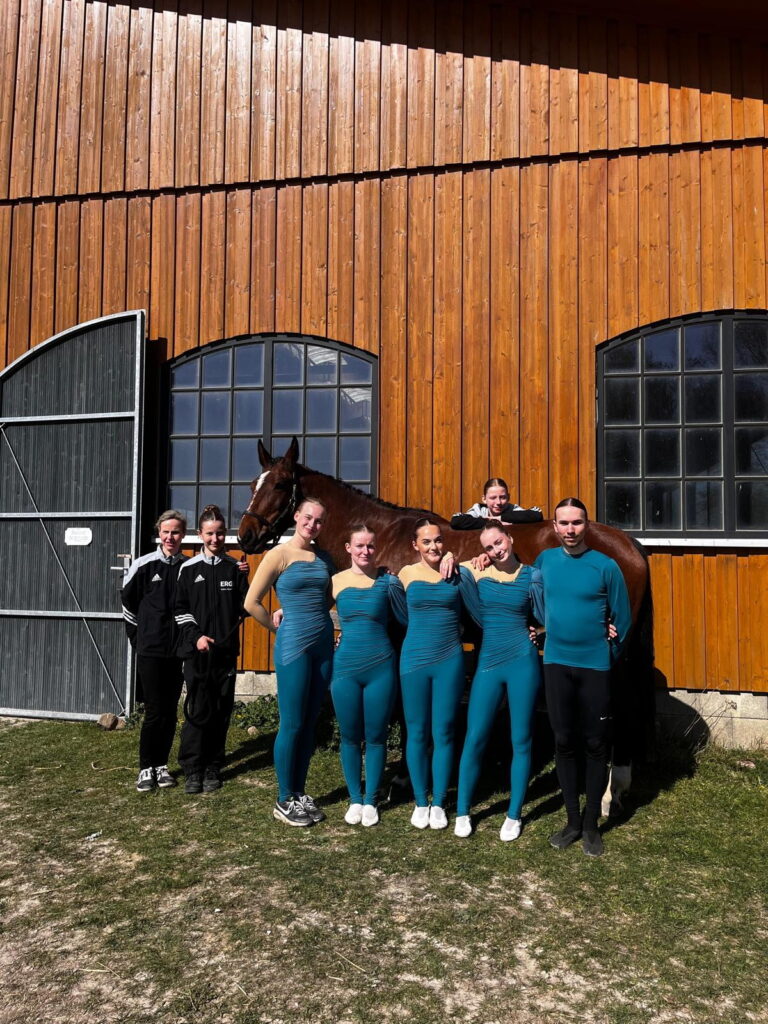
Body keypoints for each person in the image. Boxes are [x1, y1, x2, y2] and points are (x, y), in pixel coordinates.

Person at [532, 498, 632, 857]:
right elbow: (527, 592)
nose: (570, 529)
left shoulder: (606, 566)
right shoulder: (545, 561)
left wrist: (605, 656)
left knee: (595, 744)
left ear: (586, 525)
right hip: (556, 664)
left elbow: (623, 619)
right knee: (563, 741)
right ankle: (572, 821)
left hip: (594, 668)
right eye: (564, 523)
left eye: (577, 522)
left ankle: (591, 825)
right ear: (555, 527)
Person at [245, 498, 335, 827]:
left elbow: (327, 597)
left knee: (310, 722)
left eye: (319, 521)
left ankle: (299, 792)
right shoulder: (278, 555)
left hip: (323, 645)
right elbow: (251, 602)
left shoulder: (324, 558)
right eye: (308, 518)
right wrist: (276, 626)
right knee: (292, 722)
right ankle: (284, 799)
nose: (312, 525)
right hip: (293, 646)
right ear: (296, 516)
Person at [454, 522, 542, 840]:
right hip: (489, 664)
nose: (496, 550)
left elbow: (549, 613)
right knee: (475, 737)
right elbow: (454, 569)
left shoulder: (533, 575)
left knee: (521, 739)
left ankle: (514, 814)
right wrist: (458, 557)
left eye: (499, 542)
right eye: (489, 547)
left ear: (510, 538)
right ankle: (462, 811)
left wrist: (539, 631)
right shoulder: (477, 574)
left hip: (523, 663)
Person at [398, 518, 480, 830]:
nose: (434, 546)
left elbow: (485, 563)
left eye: (438, 540)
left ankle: (439, 802)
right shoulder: (405, 574)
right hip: (414, 661)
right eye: (427, 541)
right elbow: (383, 602)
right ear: (415, 545)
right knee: (417, 732)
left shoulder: (458, 572)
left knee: (444, 731)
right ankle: (421, 800)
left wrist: (458, 559)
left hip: (449, 661)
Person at [331, 525, 407, 826]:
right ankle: (355, 798)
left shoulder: (389, 581)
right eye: (360, 546)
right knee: (349, 736)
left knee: (376, 736)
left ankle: (371, 799)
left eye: (371, 546)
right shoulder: (335, 581)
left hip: (381, 668)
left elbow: (409, 618)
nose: (365, 551)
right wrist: (284, 611)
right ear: (348, 548)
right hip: (345, 670)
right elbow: (312, 610)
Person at [175, 505, 249, 795]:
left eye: (219, 533)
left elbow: (245, 608)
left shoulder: (234, 567)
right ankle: (193, 768)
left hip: (225, 654)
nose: (215, 539)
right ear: (199, 534)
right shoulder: (188, 569)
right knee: (198, 709)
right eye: (209, 534)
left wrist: (245, 579)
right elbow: (180, 610)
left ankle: (213, 766)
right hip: (198, 653)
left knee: (220, 711)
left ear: (225, 534)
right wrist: (197, 637)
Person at [121, 510, 188, 793]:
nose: (170, 537)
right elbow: (127, 604)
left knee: (170, 710)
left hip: (177, 651)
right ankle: (146, 768)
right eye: (166, 532)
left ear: (183, 535)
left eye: (176, 532)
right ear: (159, 533)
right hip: (151, 650)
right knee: (153, 710)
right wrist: (139, 639)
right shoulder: (143, 565)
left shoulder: (188, 567)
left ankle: (162, 766)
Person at [450, 477, 543, 530]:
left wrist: (499, 518)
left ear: (508, 497)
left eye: (502, 497)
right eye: (493, 498)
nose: (498, 502)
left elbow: (537, 514)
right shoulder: (479, 510)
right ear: (484, 499)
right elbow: (456, 520)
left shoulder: (513, 509)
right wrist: (494, 522)